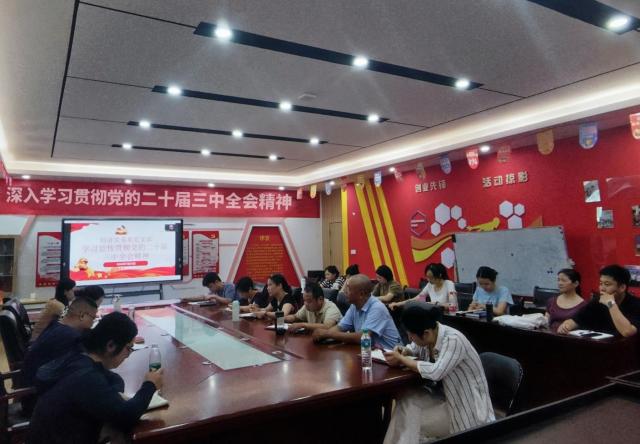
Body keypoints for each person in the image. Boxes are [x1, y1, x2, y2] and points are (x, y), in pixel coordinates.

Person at [26, 312, 163, 444]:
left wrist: (111, 396)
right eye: (128, 348)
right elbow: (126, 417)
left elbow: (114, 379)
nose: (128, 355)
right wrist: (150, 385)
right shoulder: (86, 378)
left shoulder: (79, 356)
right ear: (110, 346)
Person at [382, 303, 495, 443]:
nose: (410, 338)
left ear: (426, 333)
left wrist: (401, 359)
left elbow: (436, 372)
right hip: (445, 397)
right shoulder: (429, 334)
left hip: (467, 408)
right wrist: (404, 351)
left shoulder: (453, 340)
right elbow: (413, 348)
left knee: (410, 418)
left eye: (411, 335)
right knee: (407, 400)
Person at [19, 297, 99, 415]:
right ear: (82, 315)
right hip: (38, 402)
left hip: (30, 394)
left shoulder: (55, 326)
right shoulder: (70, 337)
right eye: (93, 318)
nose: (92, 323)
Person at [312, 274, 401, 349]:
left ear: (361, 294)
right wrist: (322, 336)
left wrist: (328, 334)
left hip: (391, 356)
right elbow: (340, 327)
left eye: (348, 289)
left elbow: (362, 337)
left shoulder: (377, 308)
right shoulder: (354, 306)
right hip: (370, 353)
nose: (344, 291)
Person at [558, 265, 640, 337]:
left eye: (607, 284)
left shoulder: (636, 304)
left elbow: (627, 332)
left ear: (622, 287)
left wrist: (611, 304)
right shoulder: (596, 302)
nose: (602, 288)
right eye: (601, 283)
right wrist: (566, 326)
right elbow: (576, 320)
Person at [390, 263, 457, 311]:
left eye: (431, 278)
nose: (428, 280)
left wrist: (436, 304)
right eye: (427, 277)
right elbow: (418, 299)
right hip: (435, 317)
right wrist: (398, 304)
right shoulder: (429, 285)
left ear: (439, 275)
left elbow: (453, 307)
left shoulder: (449, 284)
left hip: (449, 318)